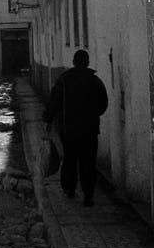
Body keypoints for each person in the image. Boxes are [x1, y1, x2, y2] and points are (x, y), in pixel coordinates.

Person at [43, 50, 108, 207]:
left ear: (73, 61)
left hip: (69, 129)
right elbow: (103, 104)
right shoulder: (95, 81)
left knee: (70, 160)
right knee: (88, 162)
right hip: (89, 130)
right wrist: (92, 116)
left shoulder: (64, 80)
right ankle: (88, 196)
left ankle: (70, 189)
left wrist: (48, 118)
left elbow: (54, 101)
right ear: (87, 62)